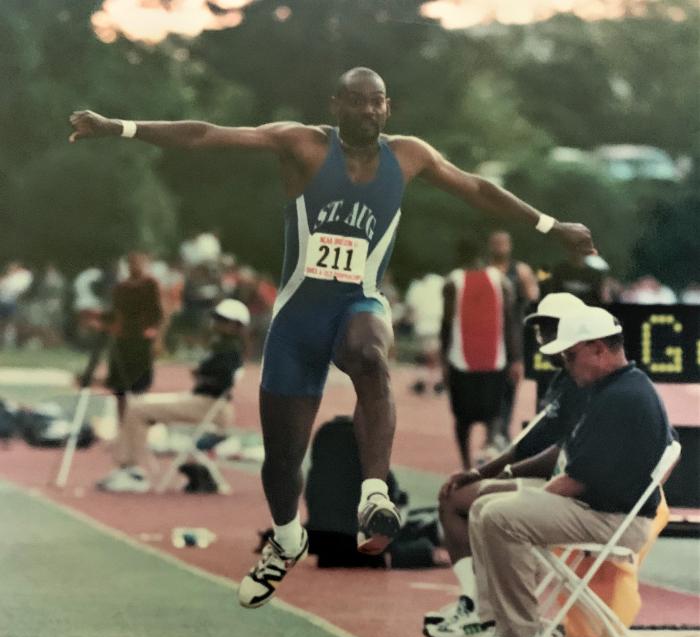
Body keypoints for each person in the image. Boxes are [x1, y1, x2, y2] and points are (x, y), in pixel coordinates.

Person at [68, 66, 595, 608]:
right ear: (337, 104)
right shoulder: (302, 145)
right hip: (298, 320)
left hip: (357, 303)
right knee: (282, 460)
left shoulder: (409, 155)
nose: (369, 112)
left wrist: (552, 227)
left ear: (388, 108)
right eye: (359, 103)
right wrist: (120, 127)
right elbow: (206, 135)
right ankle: (286, 536)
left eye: (378, 103)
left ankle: (372, 493)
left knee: (370, 354)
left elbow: (477, 189)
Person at [457, 304, 672, 637]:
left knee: (499, 515)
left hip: (613, 519)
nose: (567, 366)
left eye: (571, 356)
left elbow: (576, 480)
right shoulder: (622, 388)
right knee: (484, 505)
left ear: (599, 349)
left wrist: (530, 500)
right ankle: (497, 622)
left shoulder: (620, 398)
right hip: (604, 509)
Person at [425, 292, 589, 637]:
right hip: (551, 480)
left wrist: (498, 474)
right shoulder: (564, 377)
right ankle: (475, 601)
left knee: (466, 502)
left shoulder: (584, 380)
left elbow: (556, 452)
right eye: (540, 329)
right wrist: (484, 472)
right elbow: (532, 441)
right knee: (459, 495)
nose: (542, 337)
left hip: (565, 490)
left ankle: (483, 611)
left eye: (549, 327)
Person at [97, 298, 249, 492]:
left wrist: (202, 375)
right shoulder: (222, 347)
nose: (217, 324)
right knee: (139, 406)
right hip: (204, 402)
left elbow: (221, 380)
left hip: (210, 406)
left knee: (136, 409)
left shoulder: (229, 351)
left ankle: (131, 470)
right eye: (217, 318)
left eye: (223, 320)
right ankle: (128, 466)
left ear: (236, 326)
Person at [440, 237, 523, 468]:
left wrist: (444, 363)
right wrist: (516, 358)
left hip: (461, 360)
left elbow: (445, 326)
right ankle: (487, 460)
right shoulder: (501, 281)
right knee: (492, 416)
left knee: (463, 419)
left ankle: (467, 464)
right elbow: (511, 323)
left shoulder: (452, 282)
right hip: (493, 360)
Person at [79, 251, 165, 421]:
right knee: (120, 388)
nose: (135, 266)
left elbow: (158, 314)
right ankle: (122, 424)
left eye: (139, 262)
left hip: (141, 340)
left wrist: (157, 337)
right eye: (132, 263)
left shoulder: (150, 285)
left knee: (139, 387)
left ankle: (137, 424)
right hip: (122, 340)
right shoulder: (120, 288)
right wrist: (97, 318)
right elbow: (115, 314)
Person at [486, 230, 539, 444]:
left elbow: (533, 297)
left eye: (503, 243)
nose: (500, 246)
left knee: (510, 382)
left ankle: (503, 429)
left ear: (510, 246)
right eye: (496, 243)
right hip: (488, 335)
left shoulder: (521, 270)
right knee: (489, 384)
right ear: (490, 246)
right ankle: (493, 430)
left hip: (514, 334)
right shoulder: (484, 270)